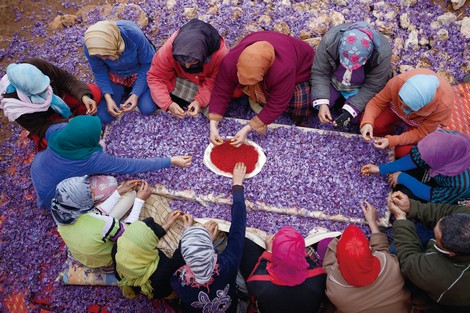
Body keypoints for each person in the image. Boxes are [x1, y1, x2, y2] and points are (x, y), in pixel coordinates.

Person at [30, 115, 192, 210]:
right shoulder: (92, 159)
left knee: (99, 145)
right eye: (98, 133)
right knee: (110, 182)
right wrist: (170, 160)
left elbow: (75, 127)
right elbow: (131, 166)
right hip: (54, 196)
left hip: (39, 169)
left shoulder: (55, 131)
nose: (100, 133)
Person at [208, 31, 315, 147]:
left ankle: (298, 117)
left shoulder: (283, 70)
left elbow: (278, 102)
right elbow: (221, 89)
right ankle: (257, 92)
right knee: (240, 90)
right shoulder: (231, 61)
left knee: (298, 101)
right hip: (264, 57)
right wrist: (213, 125)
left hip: (300, 67)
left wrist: (249, 128)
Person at [170, 163, 247, 312]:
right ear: (212, 250)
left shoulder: (178, 281)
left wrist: (188, 233)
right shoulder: (228, 265)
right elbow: (238, 226)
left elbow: (189, 255)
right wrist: (237, 185)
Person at [388, 191, 470, 312]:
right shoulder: (466, 218)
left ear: (451, 253)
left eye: (436, 237)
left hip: (446, 293)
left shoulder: (441, 275)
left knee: (394, 250)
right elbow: (442, 212)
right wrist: (411, 206)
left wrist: (400, 220)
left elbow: (408, 259)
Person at [323, 201, 411, 313]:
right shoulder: (391, 265)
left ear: (338, 259)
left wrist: (338, 243)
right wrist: (372, 222)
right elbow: (382, 249)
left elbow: (328, 267)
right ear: (370, 249)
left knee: (323, 245)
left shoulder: (335, 289)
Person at [0, 58, 101, 150]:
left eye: (47, 84)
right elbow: (40, 127)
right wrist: (67, 123)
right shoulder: (15, 106)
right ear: (26, 92)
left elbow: (65, 79)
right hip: (46, 120)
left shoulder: (37, 65)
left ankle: (70, 113)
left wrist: (84, 96)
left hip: (59, 99)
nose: (47, 90)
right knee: (59, 142)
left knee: (94, 93)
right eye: (40, 92)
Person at [51, 175, 151, 268]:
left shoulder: (62, 216)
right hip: (107, 258)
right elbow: (130, 235)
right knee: (143, 224)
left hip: (86, 257)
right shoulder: (103, 223)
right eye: (89, 193)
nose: (93, 192)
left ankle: (117, 225)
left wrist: (119, 192)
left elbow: (95, 213)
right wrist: (139, 201)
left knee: (129, 194)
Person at [310, 22, 392, 129]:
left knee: (356, 118)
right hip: (334, 81)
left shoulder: (382, 54)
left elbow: (373, 86)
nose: (349, 68)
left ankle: (346, 105)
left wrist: (349, 111)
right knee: (316, 102)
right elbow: (320, 73)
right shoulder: (329, 41)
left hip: (358, 87)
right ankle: (336, 102)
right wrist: (322, 103)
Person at [360, 68, 454, 158]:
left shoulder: (442, 106)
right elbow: (377, 102)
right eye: (401, 102)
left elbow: (422, 132)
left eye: (408, 108)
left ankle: (392, 136)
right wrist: (368, 121)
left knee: (403, 151)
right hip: (394, 109)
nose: (402, 108)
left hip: (420, 122)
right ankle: (387, 131)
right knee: (374, 123)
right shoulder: (398, 83)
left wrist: (393, 141)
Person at [147, 19, 229, 118]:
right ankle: (177, 100)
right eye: (182, 62)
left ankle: (184, 100)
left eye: (192, 62)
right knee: (154, 101)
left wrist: (199, 101)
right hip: (180, 79)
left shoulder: (220, 54)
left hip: (205, 83)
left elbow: (214, 82)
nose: (187, 66)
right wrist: (168, 104)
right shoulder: (170, 48)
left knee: (213, 112)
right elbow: (155, 76)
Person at [361, 130, 470, 204]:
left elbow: (434, 197)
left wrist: (403, 178)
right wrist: (380, 169)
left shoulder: (460, 184)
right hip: (436, 167)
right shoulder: (443, 138)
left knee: (403, 195)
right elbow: (415, 158)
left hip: (445, 191)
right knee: (400, 165)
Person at [84, 20, 157, 123]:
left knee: (147, 108)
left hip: (139, 71)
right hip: (116, 75)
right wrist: (107, 96)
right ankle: (122, 92)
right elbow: (99, 70)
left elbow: (148, 64)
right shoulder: (90, 46)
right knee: (105, 116)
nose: (104, 59)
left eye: (106, 54)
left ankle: (134, 91)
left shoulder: (133, 35)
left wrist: (135, 94)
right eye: (99, 56)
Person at [242, 226, 327, 313]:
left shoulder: (260, 282)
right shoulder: (319, 277)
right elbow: (309, 262)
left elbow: (254, 279)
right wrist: (294, 249)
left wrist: (268, 252)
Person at [112, 210, 190, 299]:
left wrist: (168, 224)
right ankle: (171, 297)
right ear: (145, 247)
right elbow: (178, 259)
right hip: (159, 288)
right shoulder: (162, 269)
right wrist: (187, 231)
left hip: (132, 280)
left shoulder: (117, 249)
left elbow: (140, 238)